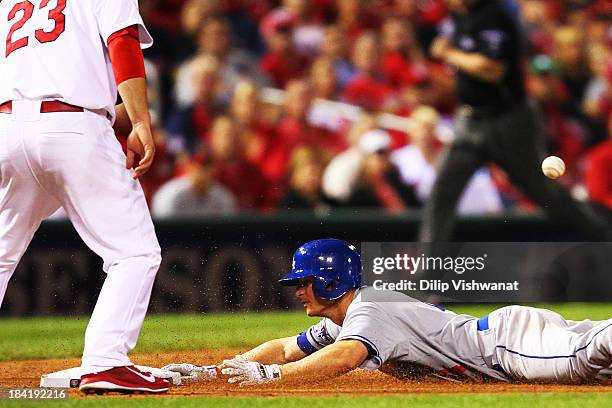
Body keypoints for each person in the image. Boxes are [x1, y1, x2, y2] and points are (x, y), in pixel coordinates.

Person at [0, 0, 168, 394]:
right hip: (74, 128)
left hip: (7, 125)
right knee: (134, 252)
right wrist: (142, 121)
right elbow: (123, 41)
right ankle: (107, 360)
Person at [164, 239, 612, 385]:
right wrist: (216, 371)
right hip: (505, 340)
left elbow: (345, 358)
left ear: (332, 279)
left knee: (585, 356)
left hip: (507, 348)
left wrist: (273, 379)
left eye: (305, 281)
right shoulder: (348, 314)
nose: (299, 290)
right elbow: (285, 349)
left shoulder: (369, 311)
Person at [419, 0, 610, 242]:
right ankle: (426, 275)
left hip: (507, 122)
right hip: (469, 121)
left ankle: (604, 236)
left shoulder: (495, 16)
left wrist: (448, 52)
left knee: (547, 195)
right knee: (441, 195)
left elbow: (492, 69)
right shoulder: (460, 16)